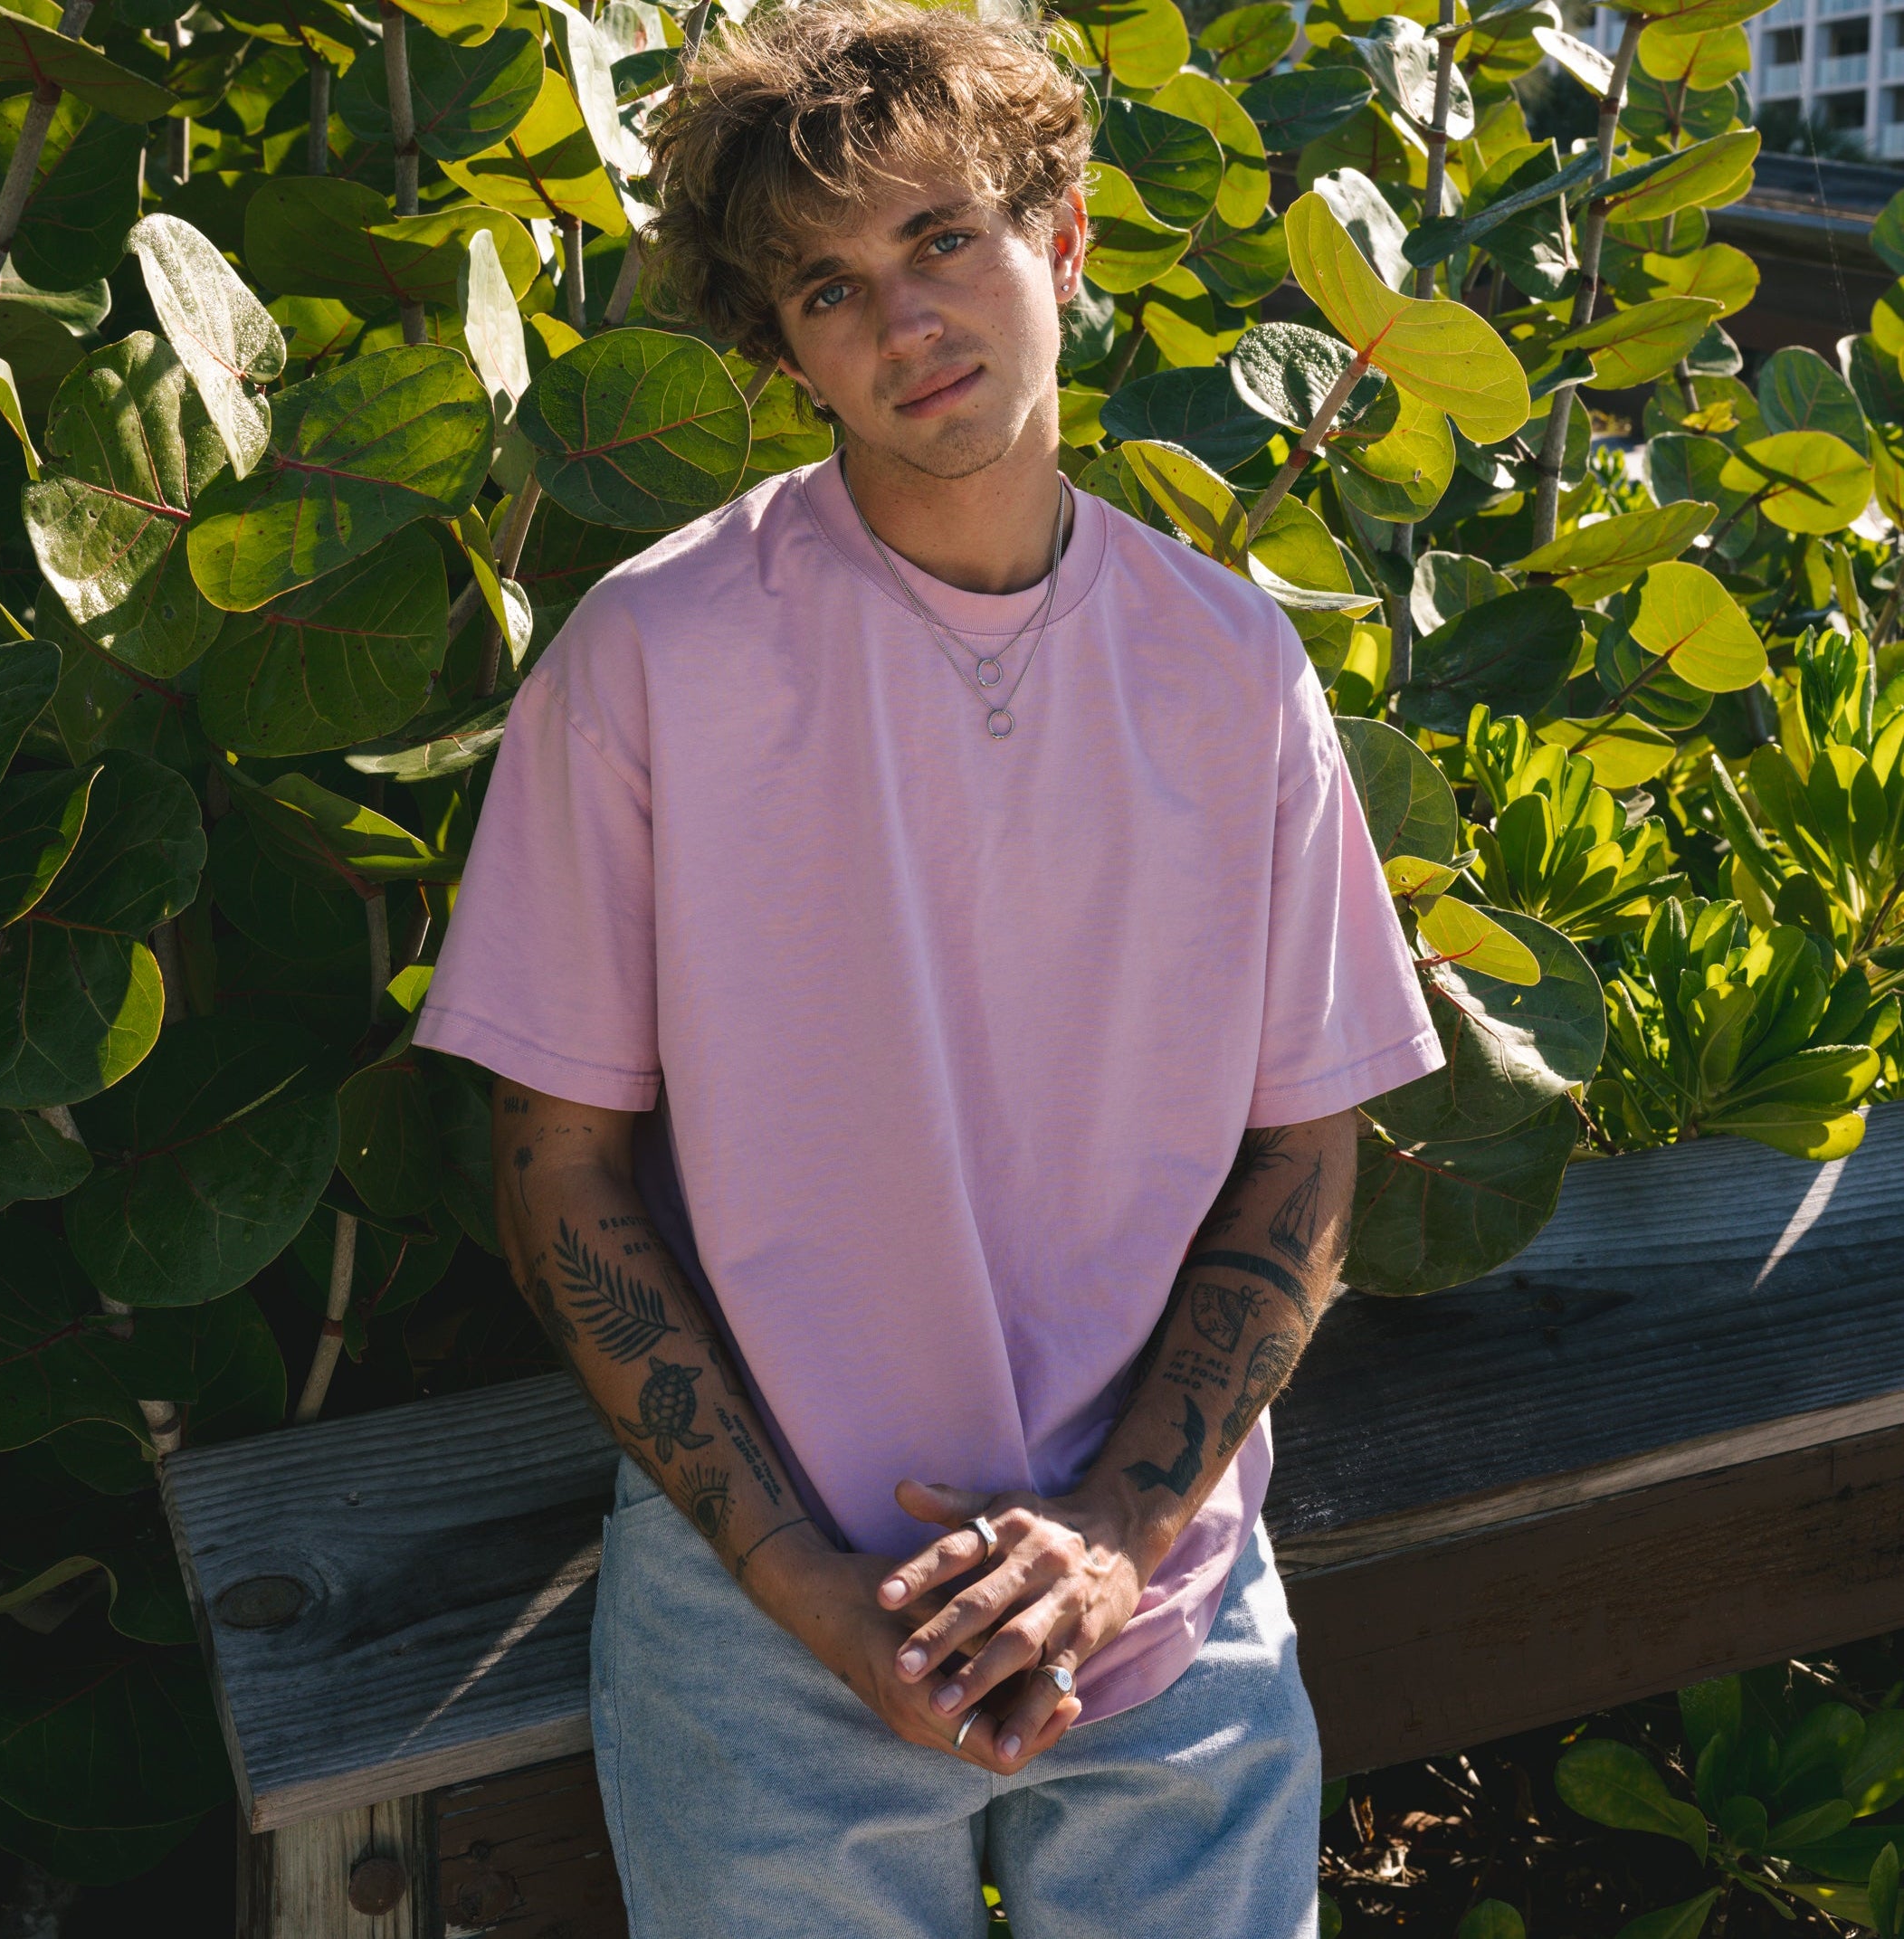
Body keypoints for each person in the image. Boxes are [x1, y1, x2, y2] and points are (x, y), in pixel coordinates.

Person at [414, 2, 1443, 1931]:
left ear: (1063, 237)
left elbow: (1305, 1159)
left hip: (1168, 1608)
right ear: (778, 343)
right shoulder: (648, 661)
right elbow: (555, 1173)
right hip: (759, 1620)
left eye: (942, 238)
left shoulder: (1236, 676)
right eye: (825, 284)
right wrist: (808, 1587)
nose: (902, 324)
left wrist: (1117, 1537)